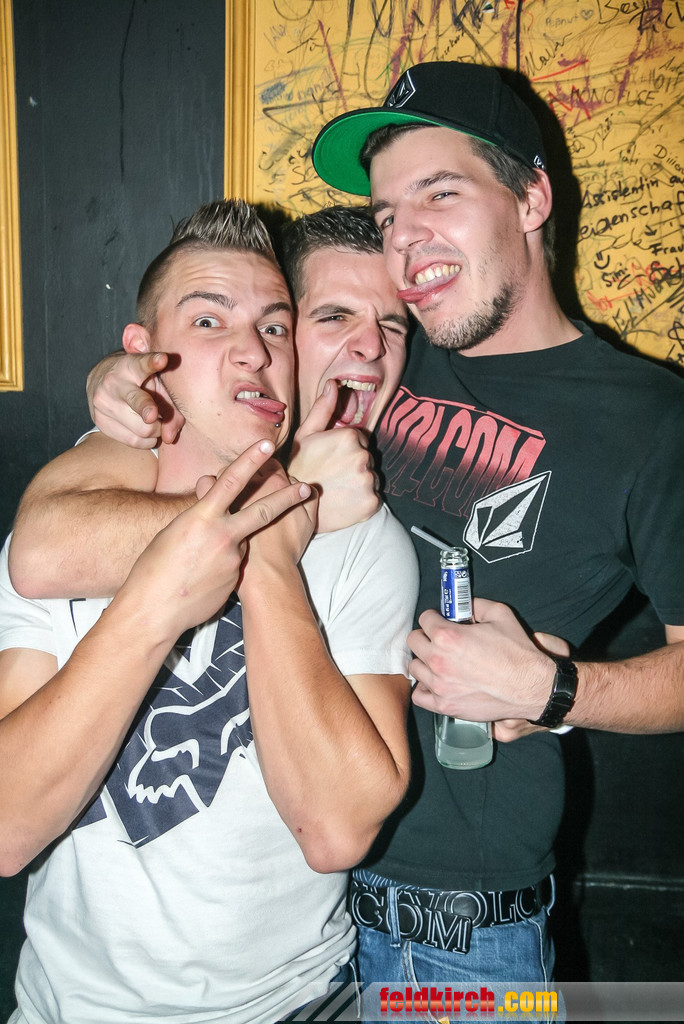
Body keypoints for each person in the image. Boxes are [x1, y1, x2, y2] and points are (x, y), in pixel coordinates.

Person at [309, 59, 684, 995]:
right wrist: (122, 389)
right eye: (388, 215)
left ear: (531, 198)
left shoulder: (650, 419)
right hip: (279, 882)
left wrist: (556, 689)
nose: (405, 240)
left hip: (452, 927)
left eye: (440, 193)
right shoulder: (386, 348)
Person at [0, 200, 418, 1023]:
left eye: (275, 326)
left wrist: (272, 550)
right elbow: (8, 827)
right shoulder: (72, 522)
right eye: (207, 320)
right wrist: (185, 575)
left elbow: (337, 829)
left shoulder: (361, 539)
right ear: (142, 357)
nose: (253, 350)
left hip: (292, 1003)